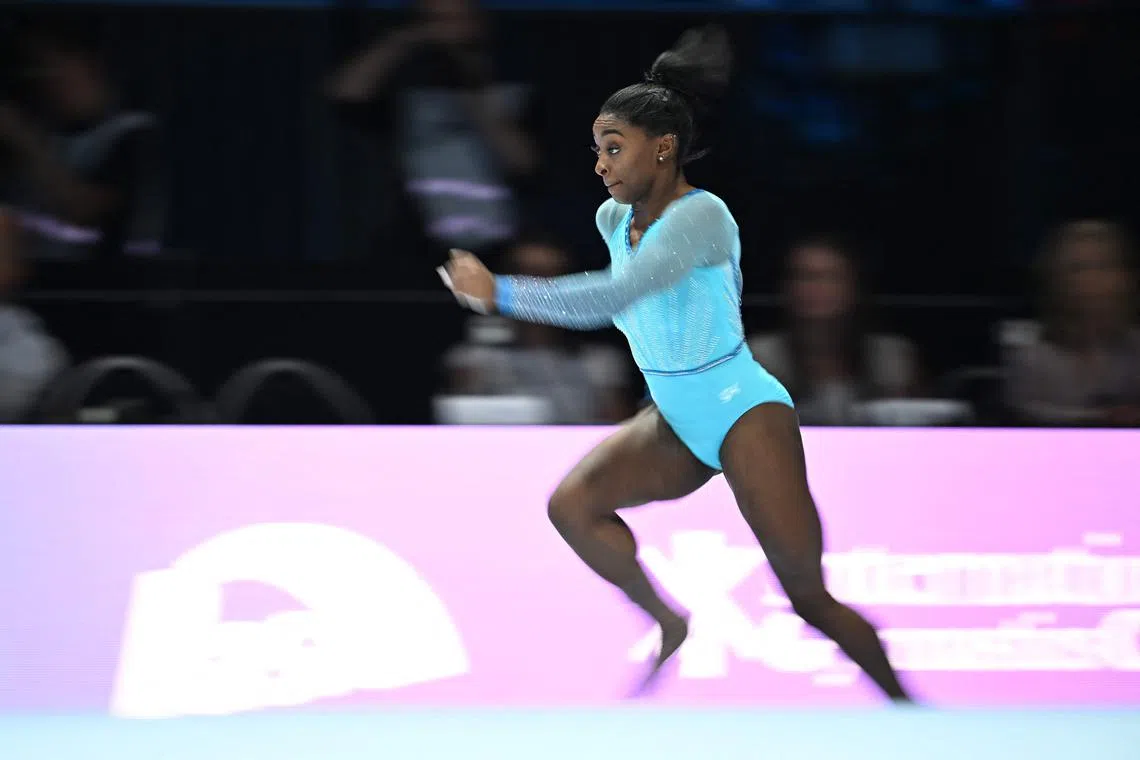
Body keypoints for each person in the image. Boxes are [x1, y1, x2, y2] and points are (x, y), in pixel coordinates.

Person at [441, 26, 911, 702]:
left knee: (808, 599)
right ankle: (668, 621)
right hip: (673, 415)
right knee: (573, 508)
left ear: (662, 148)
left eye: (613, 148)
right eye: (597, 150)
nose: (601, 166)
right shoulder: (612, 220)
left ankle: (911, 713)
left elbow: (616, 295)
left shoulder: (703, 217)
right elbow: (630, 306)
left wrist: (502, 293)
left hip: (743, 412)